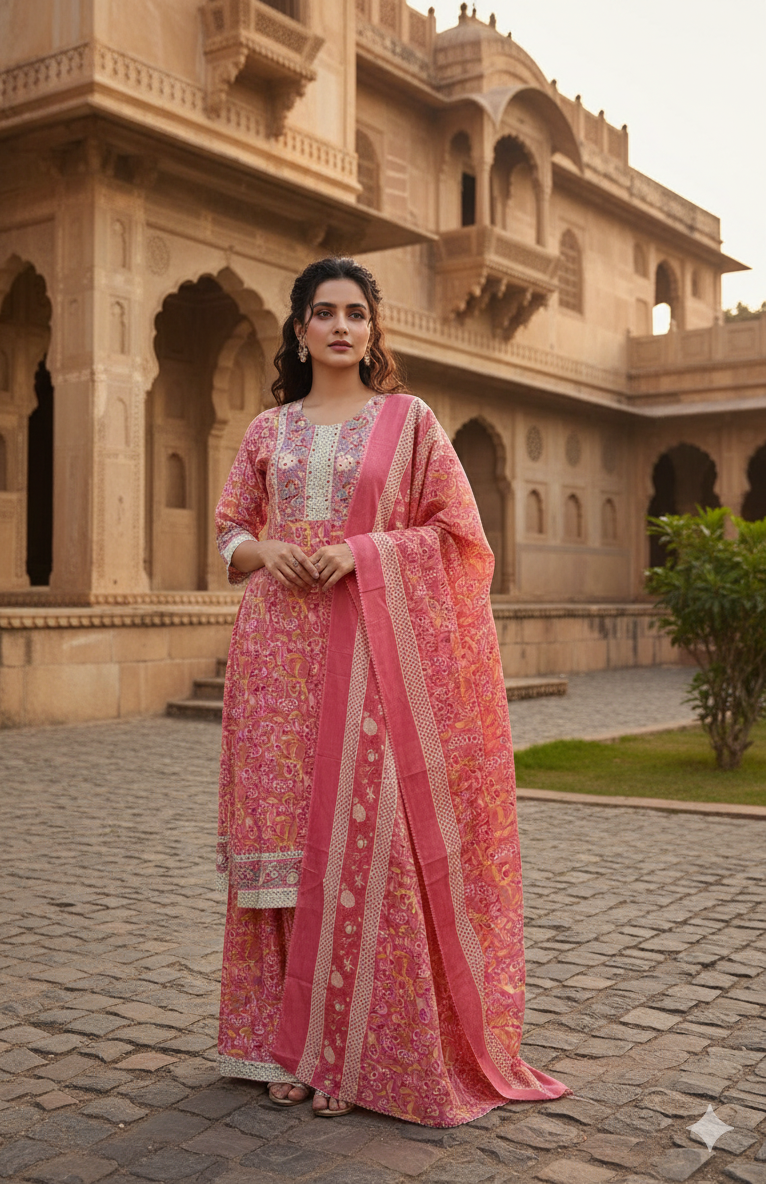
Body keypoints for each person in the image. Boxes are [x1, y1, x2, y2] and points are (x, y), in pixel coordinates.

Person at [214, 256, 568, 1125]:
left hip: (369, 654)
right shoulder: (267, 431)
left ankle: (353, 1049)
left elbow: (458, 534)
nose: (340, 327)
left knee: (364, 845)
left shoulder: (409, 423)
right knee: (283, 854)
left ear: (373, 331)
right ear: (298, 329)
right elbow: (229, 531)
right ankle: (282, 1045)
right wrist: (264, 552)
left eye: (355, 314)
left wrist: (362, 551)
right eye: (323, 313)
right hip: (273, 661)